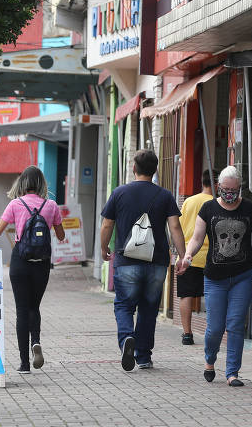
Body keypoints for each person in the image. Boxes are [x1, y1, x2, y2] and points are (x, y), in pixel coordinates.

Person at [177, 166, 252, 387]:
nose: (229, 193)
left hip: (243, 275)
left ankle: (232, 373)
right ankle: (210, 360)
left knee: (236, 324)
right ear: (218, 186)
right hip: (215, 277)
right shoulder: (208, 209)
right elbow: (197, 237)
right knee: (215, 327)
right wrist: (188, 256)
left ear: (240, 188)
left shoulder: (249, 209)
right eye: (225, 189)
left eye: (234, 189)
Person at [99, 149, 186, 372]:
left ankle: (127, 338)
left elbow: (107, 225)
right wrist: (182, 255)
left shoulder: (119, 193)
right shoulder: (165, 195)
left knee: (124, 305)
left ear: (134, 168)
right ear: (155, 170)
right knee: (149, 309)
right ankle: (144, 356)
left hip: (127, 260)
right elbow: (175, 227)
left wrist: (104, 248)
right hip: (156, 262)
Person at [0, 166, 64, 374]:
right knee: (34, 307)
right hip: (42, 262)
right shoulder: (51, 205)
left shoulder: (15, 204)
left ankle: (24, 363)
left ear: (22, 184)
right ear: (42, 184)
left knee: (21, 311)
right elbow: (61, 236)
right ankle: (35, 341)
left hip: (20, 261)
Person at [177, 169, 216, 345]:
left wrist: (179, 253)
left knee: (186, 295)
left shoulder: (189, 202)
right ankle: (212, 333)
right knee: (212, 295)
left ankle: (187, 334)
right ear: (217, 184)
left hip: (188, 255)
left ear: (203, 182)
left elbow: (180, 227)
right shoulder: (217, 203)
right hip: (211, 257)